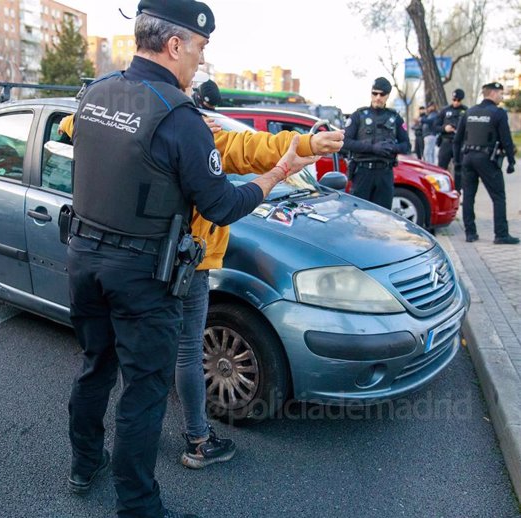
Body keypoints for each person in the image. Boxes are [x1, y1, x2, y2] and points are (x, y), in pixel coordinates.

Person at [65, 2, 320, 517]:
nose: (201, 61)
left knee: (95, 368)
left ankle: (83, 465)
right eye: (200, 48)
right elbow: (221, 205)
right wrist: (276, 174)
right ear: (175, 44)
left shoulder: (94, 96)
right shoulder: (179, 117)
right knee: (143, 393)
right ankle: (138, 507)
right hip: (141, 278)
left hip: (84, 261)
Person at [60, 107, 343, 473]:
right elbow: (249, 150)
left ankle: (113, 450)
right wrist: (305, 144)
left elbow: (72, 123)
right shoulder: (195, 136)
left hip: (129, 255)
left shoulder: (134, 126)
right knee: (187, 352)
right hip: (187, 261)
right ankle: (197, 439)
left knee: (120, 355)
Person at [453, 82, 518, 245]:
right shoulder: (498, 113)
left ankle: (470, 233)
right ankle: (501, 235)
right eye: (501, 94)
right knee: (498, 196)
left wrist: (458, 162)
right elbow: (506, 140)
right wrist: (511, 161)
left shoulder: (469, 112)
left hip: (468, 158)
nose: (502, 97)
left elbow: (457, 140)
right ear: (493, 93)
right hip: (487, 159)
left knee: (468, 196)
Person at [342, 76, 411, 209]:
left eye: (382, 94)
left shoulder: (395, 118)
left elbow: (406, 145)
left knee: (383, 217)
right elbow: (345, 142)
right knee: (359, 214)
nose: (378, 97)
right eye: (375, 93)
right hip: (363, 172)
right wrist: (372, 148)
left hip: (384, 173)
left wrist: (393, 148)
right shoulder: (359, 115)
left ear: (387, 96)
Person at [435, 88, 468, 190]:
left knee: (459, 168)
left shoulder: (466, 111)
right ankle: (441, 189)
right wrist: (445, 128)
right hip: (446, 142)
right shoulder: (445, 110)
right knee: (441, 168)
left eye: (458, 100)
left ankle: (458, 191)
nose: (456, 102)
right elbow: (435, 126)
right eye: (454, 100)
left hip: (459, 143)